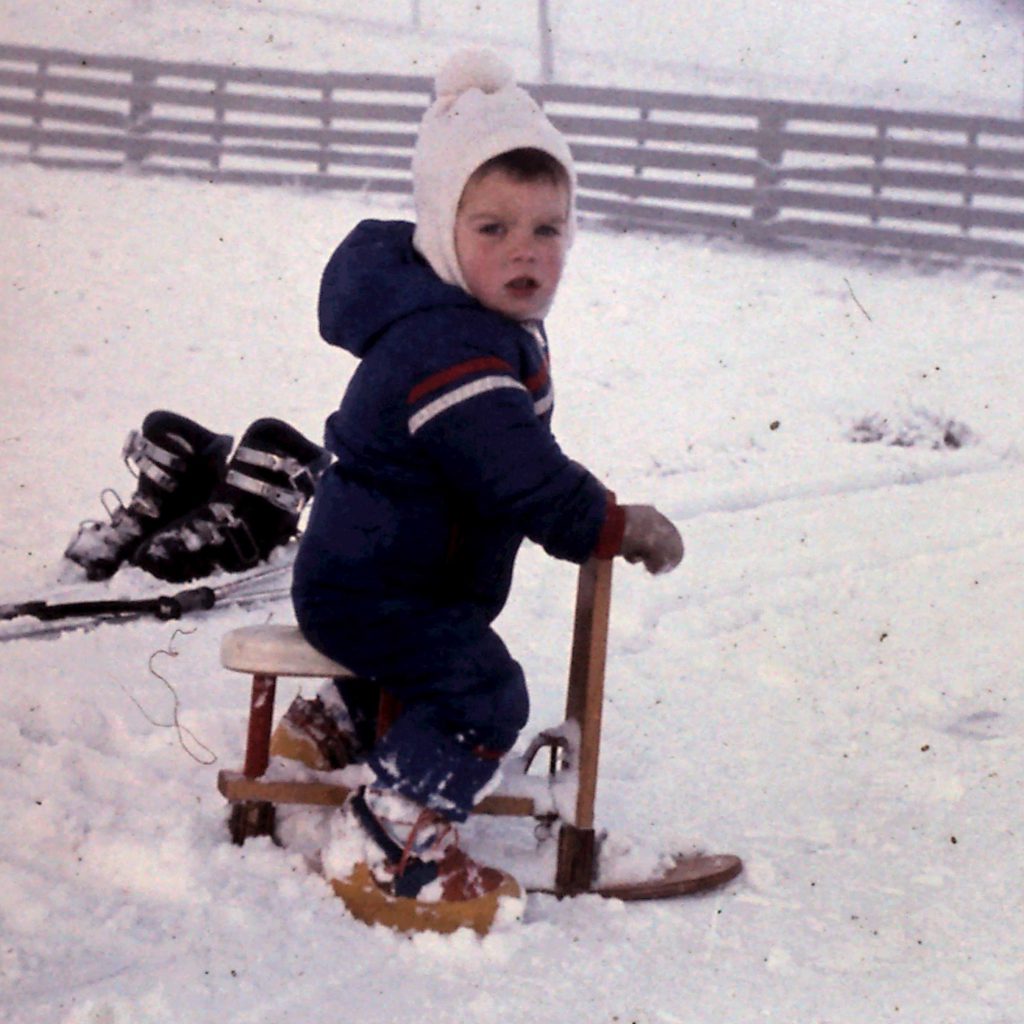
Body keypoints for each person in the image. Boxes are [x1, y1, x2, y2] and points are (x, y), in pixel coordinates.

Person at [285, 48, 683, 934]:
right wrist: (609, 524)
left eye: (548, 230)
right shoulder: (449, 345)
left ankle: (335, 725)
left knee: (450, 652)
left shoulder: (475, 325)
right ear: (439, 229)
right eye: (493, 228)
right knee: (483, 693)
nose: (526, 253)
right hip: (373, 590)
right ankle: (387, 843)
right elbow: (517, 471)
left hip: (386, 579)